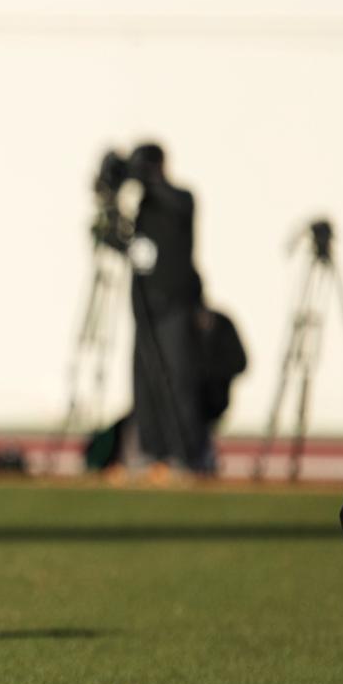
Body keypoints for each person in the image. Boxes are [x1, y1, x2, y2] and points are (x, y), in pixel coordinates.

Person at [126, 143, 211, 473]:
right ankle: (151, 450)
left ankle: (186, 454)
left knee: (179, 380)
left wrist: (150, 182)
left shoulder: (180, 198)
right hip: (144, 306)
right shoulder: (141, 207)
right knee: (144, 380)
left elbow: (178, 206)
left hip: (176, 303)